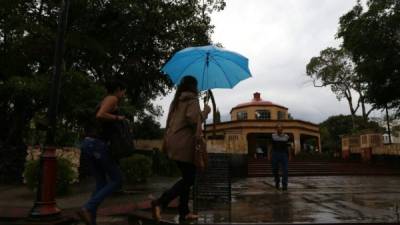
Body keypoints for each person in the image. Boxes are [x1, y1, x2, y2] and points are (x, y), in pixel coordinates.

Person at [151, 75, 211, 222]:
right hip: (184, 144)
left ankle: (184, 212)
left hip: (173, 141)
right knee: (190, 178)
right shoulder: (192, 100)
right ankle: (160, 202)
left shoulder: (177, 100)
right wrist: (206, 112)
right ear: (193, 86)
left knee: (186, 177)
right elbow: (193, 120)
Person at [77, 80, 127, 225]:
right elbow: (101, 114)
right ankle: (87, 208)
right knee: (118, 180)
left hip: (89, 144)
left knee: (101, 183)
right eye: (123, 91)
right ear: (118, 89)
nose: (124, 94)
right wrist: (119, 118)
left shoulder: (106, 99)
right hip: (97, 144)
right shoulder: (112, 98)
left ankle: (91, 220)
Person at [271, 124, 290, 191]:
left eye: (280, 128)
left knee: (285, 170)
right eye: (278, 128)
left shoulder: (286, 137)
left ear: (282, 129)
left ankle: (284, 185)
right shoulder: (273, 136)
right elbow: (272, 147)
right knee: (275, 169)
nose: (279, 129)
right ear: (276, 129)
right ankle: (277, 181)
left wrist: (289, 155)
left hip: (284, 154)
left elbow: (288, 147)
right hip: (275, 154)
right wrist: (270, 155)